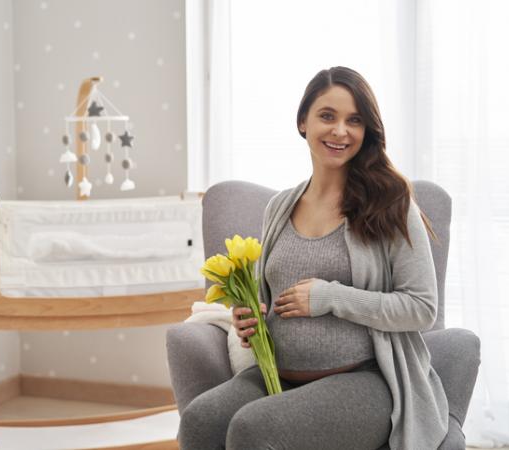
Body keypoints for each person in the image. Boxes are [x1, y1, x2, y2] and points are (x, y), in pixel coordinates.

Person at [177, 66, 451, 449]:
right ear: (303, 121)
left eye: (354, 120)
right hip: (279, 375)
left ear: (366, 130)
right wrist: (250, 317)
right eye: (327, 116)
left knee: (253, 429)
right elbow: (270, 299)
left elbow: (422, 307)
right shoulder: (279, 207)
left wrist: (331, 297)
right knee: (200, 421)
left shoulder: (391, 204)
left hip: (366, 379)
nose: (340, 131)